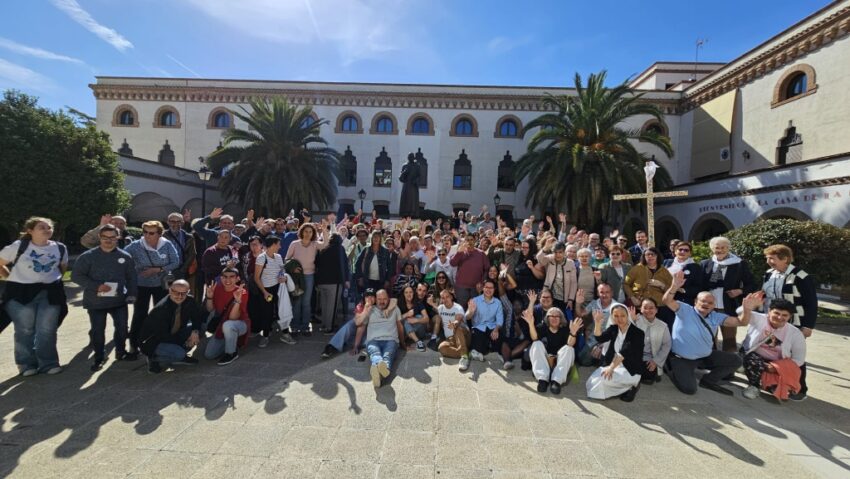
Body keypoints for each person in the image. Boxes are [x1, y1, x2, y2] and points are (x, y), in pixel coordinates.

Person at [662, 271, 755, 395]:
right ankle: (670, 367)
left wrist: (747, 310)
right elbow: (667, 301)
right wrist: (674, 287)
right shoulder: (684, 309)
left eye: (710, 303)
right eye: (703, 301)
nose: (706, 304)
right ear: (695, 302)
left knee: (736, 360)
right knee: (689, 389)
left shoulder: (716, 316)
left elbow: (741, 322)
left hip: (704, 356)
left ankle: (709, 380)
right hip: (682, 358)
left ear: (714, 306)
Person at [0, 217, 68, 376]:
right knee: (25, 329)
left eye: (48, 227)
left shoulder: (60, 248)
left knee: (47, 329)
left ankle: (49, 363)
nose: (46, 230)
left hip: (50, 292)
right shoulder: (19, 246)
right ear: (30, 231)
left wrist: (51, 279)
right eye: (41, 227)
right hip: (21, 293)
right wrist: (7, 276)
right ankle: (26, 365)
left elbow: (62, 268)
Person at [71, 224, 138, 371]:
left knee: (121, 328)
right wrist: (96, 286)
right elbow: (76, 276)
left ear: (117, 237)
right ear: (99, 238)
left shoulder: (124, 256)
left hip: (119, 300)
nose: (108, 240)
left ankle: (121, 353)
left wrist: (132, 294)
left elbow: (131, 277)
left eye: (112, 237)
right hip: (95, 302)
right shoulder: (88, 256)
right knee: (98, 330)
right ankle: (99, 358)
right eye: (105, 237)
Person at [761, 244, 816, 400]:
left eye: (772, 258)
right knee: (773, 350)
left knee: (793, 354)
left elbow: (811, 302)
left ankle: (799, 388)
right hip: (771, 320)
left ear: (785, 259)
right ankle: (774, 383)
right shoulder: (769, 273)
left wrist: (808, 326)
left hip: (794, 322)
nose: (769, 261)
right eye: (767, 258)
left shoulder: (801, 276)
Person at [125, 220, 180, 359]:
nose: (147, 235)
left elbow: (175, 261)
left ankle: (159, 342)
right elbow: (122, 257)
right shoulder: (136, 246)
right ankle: (133, 345)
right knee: (139, 314)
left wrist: (159, 269)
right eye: (145, 232)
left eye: (151, 233)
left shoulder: (166, 244)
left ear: (159, 234)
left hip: (161, 285)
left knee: (161, 314)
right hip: (141, 285)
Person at [739, 295, 806, 400]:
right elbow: (738, 312)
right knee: (753, 361)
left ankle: (763, 377)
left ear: (790, 316)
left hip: (776, 363)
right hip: (753, 355)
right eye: (776, 313)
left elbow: (799, 359)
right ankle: (754, 386)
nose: (780, 317)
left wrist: (777, 367)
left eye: (785, 315)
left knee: (775, 390)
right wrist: (748, 307)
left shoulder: (796, 333)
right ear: (769, 311)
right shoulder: (760, 318)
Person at [700, 236, 755, 352]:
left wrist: (740, 291)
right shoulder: (705, 264)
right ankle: (711, 362)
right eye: (717, 247)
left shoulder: (739, 264)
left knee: (729, 339)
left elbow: (751, 284)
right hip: (708, 308)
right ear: (712, 249)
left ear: (728, 248)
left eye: (723, 247)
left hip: (728, 307)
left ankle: (729, 366)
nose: (720, 250)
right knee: (708, 337)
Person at [139, 280, 204, 373]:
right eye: (176, 292)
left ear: (188, 292)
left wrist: (195, 332)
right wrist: (186, 342)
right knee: (179, 353)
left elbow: (196, 317)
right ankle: (153, 358)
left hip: (174, 333)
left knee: (201, 328)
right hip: (154, 341)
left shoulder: (190, 300)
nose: (180, 296)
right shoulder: (161, 309)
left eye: (183, 293)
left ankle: (177, 353)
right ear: (170, 291)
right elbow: (162, 336)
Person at [585, 305, 645, 401]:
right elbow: (600, 338)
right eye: (616, 316)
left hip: (630, 370)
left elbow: (624, 352)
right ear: (612, 317)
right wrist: (597, 323)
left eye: (622, 315)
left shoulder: (637, 333)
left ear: (627, 315)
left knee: (603, 379)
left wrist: (611, 368)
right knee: (592, 380)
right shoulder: (613, 329)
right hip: (615, 365)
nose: (619, 319)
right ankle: (624, 388)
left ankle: (632, 386)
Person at [524, 305, 582, 395]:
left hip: (559, 363)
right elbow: (534, 338)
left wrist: (573, 333)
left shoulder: (565, 329)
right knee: (536, 344)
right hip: (545, 361)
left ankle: (556, 381)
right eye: (551, 316)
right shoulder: (542, 327)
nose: (554, 318)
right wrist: (531, 324)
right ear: (547, 318)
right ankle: (543, 380)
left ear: (561, 318)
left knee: (569, 349)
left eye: (557, 316)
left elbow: (570, 344)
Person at [285, 221, 329, 335]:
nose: (308, 234)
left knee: (306, 302)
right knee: (297, 301)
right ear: (302, 232)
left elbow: (325, 244)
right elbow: (287, 260)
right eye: (306, 231)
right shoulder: (294, 243)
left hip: (309, 277)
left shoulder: (315, 244)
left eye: (310, 232)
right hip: (296, 278)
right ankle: (294, 326)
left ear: (313, 233)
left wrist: (324, 230)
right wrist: (293, 269)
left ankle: (305, 326)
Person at [356, 289, 404, 388]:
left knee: (388, 354)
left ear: (388, 299)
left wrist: (403, 343)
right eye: (379, 299)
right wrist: (366, 309)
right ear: (375, 300)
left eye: (385, 299)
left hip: (391, 340)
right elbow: (358, 323)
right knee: (374, 352)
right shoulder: (370, 309)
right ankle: (383, 369)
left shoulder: (395, 309)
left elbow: (400, 326)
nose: (382, 301)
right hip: (373, 340)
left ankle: (377, 369)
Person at [203, 268, 251, 365]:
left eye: (231, 277)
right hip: (222, 324)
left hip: (240, 324)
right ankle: (231, 340)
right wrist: (209, 297)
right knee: (209, 355)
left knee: (228, 325)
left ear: (237, 279)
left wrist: (237, 300)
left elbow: (233, 318)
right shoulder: (217, 288)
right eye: (225, 277)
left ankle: (231, 353)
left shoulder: (242, 292)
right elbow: (210, 309)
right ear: (221, 278)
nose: (227, 280)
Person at [624, 247, 672, 326]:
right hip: (641, 306)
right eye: (647, 255)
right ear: (644, 256)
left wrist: (661, 285)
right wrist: (632, 297)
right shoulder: (637, 268)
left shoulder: (664, 271)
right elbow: (626, 284)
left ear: (657, 256)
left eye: (652, 254)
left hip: (660, 306)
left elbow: (671, 289)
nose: (650, 256)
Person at [253, 236, 286, 348]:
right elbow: (256, 278)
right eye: (279, 244)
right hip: (266, 290)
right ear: (273, 245)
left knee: (281, 312)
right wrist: (264, 292)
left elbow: (281, 271)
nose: (280, 247)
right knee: (267, 314)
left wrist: (282, 277)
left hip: (278, 288)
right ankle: (265, 336)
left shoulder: (279, 256)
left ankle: (285, 334)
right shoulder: (261, 258)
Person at [631, 299, 671, 385]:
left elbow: (667, 345)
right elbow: (625, 338)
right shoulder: (635, 319)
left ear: (656, 310)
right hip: (634, 356)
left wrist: (656, 361)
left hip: (650, 358)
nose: (648, 311)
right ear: (640, 309)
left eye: (651, 308)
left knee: (648, 376)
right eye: (645, 308)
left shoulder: (663, 326)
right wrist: (632, 322)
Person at [465, 279, 505, 362]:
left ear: (494, 289)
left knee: (497, 339)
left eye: (491, 288)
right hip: (478, 327)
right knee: (479, 343)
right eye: (486, 287)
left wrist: (496, 329)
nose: (488, 290)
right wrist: (471, 312)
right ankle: (478, 351)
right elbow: (467, 317)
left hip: (492, 327)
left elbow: (500, 320)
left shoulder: (498, 302)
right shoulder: (475, 300)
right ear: (483, 288)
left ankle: (495, 352)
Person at [450, 235, 490, 307]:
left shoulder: (481, 253)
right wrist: (459, 252)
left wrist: (482, 282)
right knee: (462, 309)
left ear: (475, 241)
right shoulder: (460, 252)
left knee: (475, 309)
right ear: (464, 241)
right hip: (461, 287)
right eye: (467, 240)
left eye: (471, 239)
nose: (469, 241)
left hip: (476, 288)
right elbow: (452, 263)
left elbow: (487, 269)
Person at [436, 289, 471, 370]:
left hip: (463, 335)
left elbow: (458, 319)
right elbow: (438, 320)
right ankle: (466, 353)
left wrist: (454, 323)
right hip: (450, 339)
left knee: (457, 328)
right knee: (441, 348)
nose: (445, 299)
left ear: (451, 297)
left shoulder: (458, 307)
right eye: (443, 298)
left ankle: (464, 358)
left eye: (447, 296)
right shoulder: (440, 308)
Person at [537, 241, 578, 311]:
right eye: (555, 252)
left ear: (564, 252)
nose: (558, 255)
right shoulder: (550, 258)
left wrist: (570, 299)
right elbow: (540, 260)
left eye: (560, 252)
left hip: (564, 298)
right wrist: (545, 248)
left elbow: (573, 283)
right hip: (551, 296)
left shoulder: (570, 263)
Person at [354, 230, 393, 296]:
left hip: (381, 281)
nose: (376, 238)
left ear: (381, 239)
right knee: (368, 299)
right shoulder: (366, 249)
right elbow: (357, 264)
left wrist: (387, 280)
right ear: (371, 238)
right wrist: (360, 277)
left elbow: (389, 266)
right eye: (374, 237)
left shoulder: (385, 251)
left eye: (378, 237)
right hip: (367, 280)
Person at [662, 241, 701, 305]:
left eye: (686, 250)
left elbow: (698, 287)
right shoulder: (667, 262)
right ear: (675, 251)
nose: (682, 252)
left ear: (690, 253)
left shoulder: (695, 267)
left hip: (683, 300)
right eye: (680, 249)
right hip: (664, 298)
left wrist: (682, 290)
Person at [164, 212, 197, 285]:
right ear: (168, 222)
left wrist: (183, 270)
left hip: (180, 270)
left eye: (178, 221)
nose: (175, 224)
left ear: (182, 223)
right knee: (164, 292)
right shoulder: (162, 236)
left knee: (179, 291)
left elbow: (192, 254)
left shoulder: (188, 237)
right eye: (172, 221)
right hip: (165, 269)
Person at [398, 285, 429, 351]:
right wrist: (406, 314)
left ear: (413, 293)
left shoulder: (418, 302)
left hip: (420, 332)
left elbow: (427, 319)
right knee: (406, 320)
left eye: (410, 292)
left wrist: (416, 320)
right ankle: (418, 342)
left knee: (419, 316)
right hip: (407, 331)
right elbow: (396, 319)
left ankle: (413, 338)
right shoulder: (400, 303)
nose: (409, 294)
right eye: (406, 292)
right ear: (403, 294)